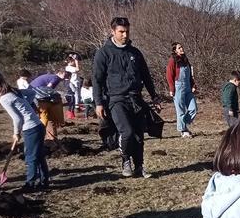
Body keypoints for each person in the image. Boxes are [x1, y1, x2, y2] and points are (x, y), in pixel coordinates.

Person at [93, 17, 162, 178]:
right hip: (115, 99)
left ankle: (139, 166)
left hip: (135, 98)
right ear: (113, 31)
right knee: (127, 132)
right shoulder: (103, 53)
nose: (125, 35)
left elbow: (146, 76)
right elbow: (97, 79)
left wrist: (154, 96)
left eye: (127, 31)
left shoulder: (135, 53)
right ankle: (125, 160)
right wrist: (98, 103)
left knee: (138, 134)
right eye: (121, 32)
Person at [0, 70, 49, 190]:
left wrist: (16, 133)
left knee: (31, 157)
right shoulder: (14, 91)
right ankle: (44, 181)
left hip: (31, 128)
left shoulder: (4, 98)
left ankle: (30, 184)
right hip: (38, 126)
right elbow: (31, 93)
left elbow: (17, 119)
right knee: (38, 155)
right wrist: (26, 106)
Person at [166, 42, 198, 138]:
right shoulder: (172, 60)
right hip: (178, 87)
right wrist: (172, 89)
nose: (181, 49)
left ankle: (183, 122)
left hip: (188, 87)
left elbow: (190, 76)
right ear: (175, 50)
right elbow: (169, 75)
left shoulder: (185, 60)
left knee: (193, 108)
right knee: (180, 110)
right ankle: (183, 130)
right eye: (179, 48)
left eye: (182, 47)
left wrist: (193, 85)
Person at [29, 69, 69, 141]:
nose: (66, 77)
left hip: (34, 94)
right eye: (65, 75)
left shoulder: (52, 76)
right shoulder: (56, 78)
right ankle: (41, 136)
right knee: (47, 116)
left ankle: (50, 138)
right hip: (38, 95)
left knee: (48, 117)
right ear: (60, 73)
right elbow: (48, 88)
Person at [65, 54, 81, 119]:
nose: (74, 62)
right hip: (73, 83)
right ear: (70, 61)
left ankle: (73, 111)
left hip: (75, 82)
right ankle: (74, 110)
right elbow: (77, 69)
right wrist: (76, 60)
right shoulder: (68, 67)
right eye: (73, 61)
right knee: (74, 97)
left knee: (76, 96)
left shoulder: (71, 67)